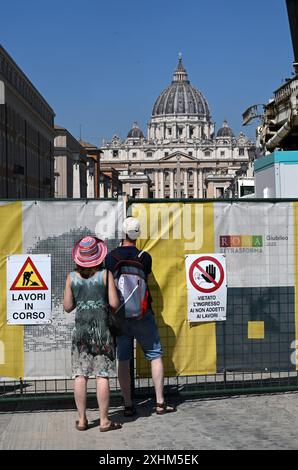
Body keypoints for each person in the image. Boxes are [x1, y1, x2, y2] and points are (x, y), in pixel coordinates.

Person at [105, 217, 176, 417]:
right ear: (138, 235)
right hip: (144, 315)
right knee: (155, 355)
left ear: (123, 233)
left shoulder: (111, 258)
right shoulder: (145, 257)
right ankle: (160, 402)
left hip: (120, 316)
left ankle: (128, 404)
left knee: (124, 359)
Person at [63, 236, 122, 432]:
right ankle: (104, 421)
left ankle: (82, 420)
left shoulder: (71, 277)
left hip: (80, 334)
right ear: (98, 257)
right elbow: (114, 303)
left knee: (80, 375)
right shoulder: (106, 275)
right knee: (102, 375)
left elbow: (67, 306)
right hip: (102, 331)